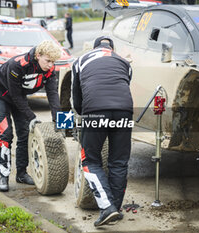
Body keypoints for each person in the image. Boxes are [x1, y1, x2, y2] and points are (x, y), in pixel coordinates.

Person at [71, 36, 133, 226]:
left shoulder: (80, 61)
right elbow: (123, 85)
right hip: (125, 110)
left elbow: (76, 95)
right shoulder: (124, 62)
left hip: (95, 111)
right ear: (112, 48)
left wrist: (83, 116)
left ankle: (107, 208)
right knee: (119, 161)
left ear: (94, 47)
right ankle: (115, 208)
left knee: (89, 160)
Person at [0, 40, 61, 192]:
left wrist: (59, 120)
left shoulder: (49, 69)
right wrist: (31, 116)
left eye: (53, 62)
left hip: (19, 97)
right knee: (6, 134)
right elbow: (15, 95)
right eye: (47, 61)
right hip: (0, 94)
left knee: (24, 133)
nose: (50, 65)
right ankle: (4, 175)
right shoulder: (18, 64)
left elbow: (53, 94)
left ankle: (21, 173)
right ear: (38, 55)